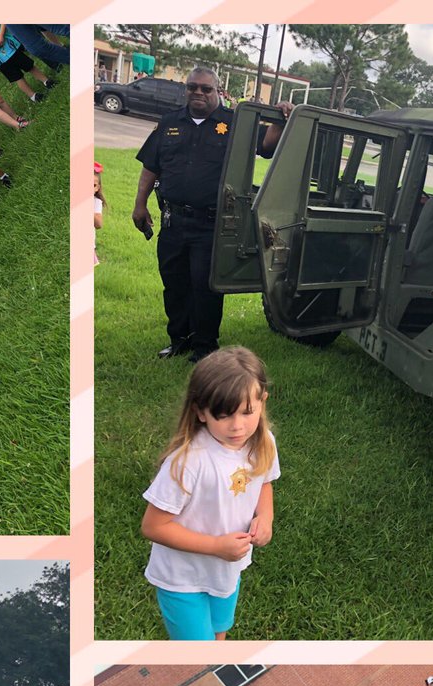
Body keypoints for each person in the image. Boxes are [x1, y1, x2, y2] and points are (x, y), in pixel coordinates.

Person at [133, 68, 291, 363]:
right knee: (174, 283)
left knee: (205, 287)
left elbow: (267, 144)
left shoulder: (235, 123)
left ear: (218, 91)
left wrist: (280, 117)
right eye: (192, 87)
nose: (198, 93)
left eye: (206, 89)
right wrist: (139, 205)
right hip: (173, 221)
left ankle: (205, 346)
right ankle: (179, 339)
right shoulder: (169, 123)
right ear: (186, 89)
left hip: (211, 224)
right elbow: (150, 167)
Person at [141, 348, 278, 640]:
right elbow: (153, 526)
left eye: (247, 412)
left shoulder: (263, 442)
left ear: (262, 401)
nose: (237, 425)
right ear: (201, 412)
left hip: (226, 570)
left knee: (219, 636)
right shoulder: (188, 462)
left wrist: (265, 517)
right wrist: (216, 546)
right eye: (224, 415)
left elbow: (264, 481)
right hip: (182, 579)